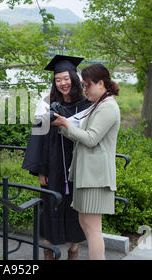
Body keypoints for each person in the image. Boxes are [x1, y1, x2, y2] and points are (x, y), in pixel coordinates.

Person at [22, 55, 92, 260]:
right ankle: (49, 252)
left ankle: (74, 249)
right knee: (51, 208)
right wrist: (40, 169)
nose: (62, 83)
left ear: (74, 77)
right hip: (53, 166)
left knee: (76, 209)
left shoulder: (86, 103)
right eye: (58, 79)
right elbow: (38, 138)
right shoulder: (46, 103)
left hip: (79, 165)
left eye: (66, 78)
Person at [51, 63, 120, 260]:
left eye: (88, 85)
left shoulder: (108, 107)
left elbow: (90, 139)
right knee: (84, 222)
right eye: (83, 85)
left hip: (96, 177)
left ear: (101, 83)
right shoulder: (98, 104)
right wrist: (62, 125)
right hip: (87, 175)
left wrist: (65, 124)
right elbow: (80, 133)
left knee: (92, 229)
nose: (84, 89)